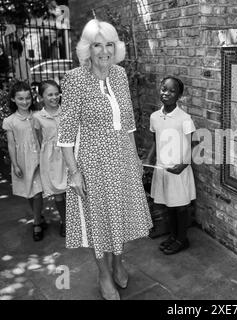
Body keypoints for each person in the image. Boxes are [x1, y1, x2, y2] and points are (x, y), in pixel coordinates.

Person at [57, 19, 153, 300]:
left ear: (116, 48)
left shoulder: (120, 75)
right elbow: (65, 134)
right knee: (98, 220)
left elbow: (128, 121)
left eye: (109, 44)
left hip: (121, 156)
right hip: (91, 161)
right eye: (97, 45)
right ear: (87, 48)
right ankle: (103, 272)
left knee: (119, 214)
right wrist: (74, 172)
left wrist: (135, 157)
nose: (104, 51)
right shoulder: (75, 79)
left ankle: (118, 261)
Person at [146, 76, 196, 255]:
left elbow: (192, 145)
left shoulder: (184, 118)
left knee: (180, 206)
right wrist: (150, 159)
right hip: (163, 168)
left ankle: (182, 239)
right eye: (164, 89)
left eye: (172, 91)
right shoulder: (155, 117)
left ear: (179, 95)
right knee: (168, 204)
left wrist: (183, 165)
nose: (166, 93)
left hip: (179, 169)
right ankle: (174, 236)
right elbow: (155, 140)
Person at [2, 81, 45, 241]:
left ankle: (36, 223)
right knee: (29, 192)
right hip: (22, 160)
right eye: (20, 98)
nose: (25, 102)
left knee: (38, 192)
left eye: (27, 98)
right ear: (13, 99)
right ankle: (38, 216)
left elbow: (42, 136)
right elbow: (11, 144)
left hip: (39, 157)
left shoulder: (37, 115)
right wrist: (15, 164)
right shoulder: (10, 121)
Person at [33, 80, 67, 237]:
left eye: (56, 94)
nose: (54, 97)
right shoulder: (38, 117)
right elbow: (39, 140)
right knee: (58, 192)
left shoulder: (66, 112)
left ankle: (78, 221)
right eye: (49, 94)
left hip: (69, 155)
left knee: (74, 189)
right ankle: (65, 222)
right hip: (51, 159)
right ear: (41, 97)